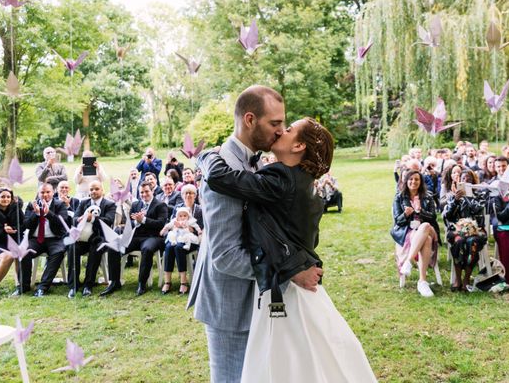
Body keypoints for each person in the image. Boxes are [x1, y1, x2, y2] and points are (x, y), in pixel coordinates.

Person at [198, 117, 376, 382]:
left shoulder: (282, 179)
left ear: (298, 146)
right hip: (292, 288)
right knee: (305, 357)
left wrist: (205, 156)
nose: (282, 130)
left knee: (284, 361)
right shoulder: (303, 183)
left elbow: (221, 178)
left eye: (289, 129)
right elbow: (305, 241)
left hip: (285, 291)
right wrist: (297, 265)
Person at [187, 85, 322, 383]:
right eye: (274, 124)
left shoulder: (259, 162)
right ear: (250, 119)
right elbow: (225, 257)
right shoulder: (222, 169)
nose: (280, 131)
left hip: (258, 302)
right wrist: (289, 272)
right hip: (230, 305)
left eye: (283, 125)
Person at [100, 181, 169, 297]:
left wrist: (144, 220)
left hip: (153, 237)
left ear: (152, 191)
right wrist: (135, 222)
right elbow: (129, 223)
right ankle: (115, 282)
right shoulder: (136, 205)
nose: (144, 194)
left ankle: (142, 283)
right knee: (114, 246)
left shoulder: (160, 205)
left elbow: (161, 224)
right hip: (135, 236)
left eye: (146, 191)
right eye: (141, 192)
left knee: (147, 249)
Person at [392, 170, 440, 297]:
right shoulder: (399, 197)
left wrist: (420, 211)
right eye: (411, 179)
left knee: (425, 226)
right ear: (406, 181)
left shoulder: (428, 197)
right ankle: (422, 281)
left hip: (428, 228)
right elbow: (398, 221)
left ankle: (408, 261)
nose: (413, 182)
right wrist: (405, 214)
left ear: (421, 182)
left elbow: (433, 217)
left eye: (417, 179)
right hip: (408, 231)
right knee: (427, 240)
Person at [66, 181, 116, 298]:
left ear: (102, 190)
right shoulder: (83, 203)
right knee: (72, 247)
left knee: (96, 248)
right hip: (83, 238)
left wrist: (92, 219)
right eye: (91, 189)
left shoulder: (109, 204)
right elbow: (74, 219)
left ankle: (88, 284)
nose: (93, 191)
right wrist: (81, 219)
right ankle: (73, 285)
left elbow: (108, 222)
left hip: (100, 237)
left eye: (96, 189)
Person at [20, 183, 69, 296]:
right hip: (36, 239)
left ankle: (43, 287)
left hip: (55, 238)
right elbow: (25, 225)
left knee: (58, 252)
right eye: (42, 192)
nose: (45, 195)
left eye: (48, 192)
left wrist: (48, 213)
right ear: (38, 193)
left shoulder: (59, 204)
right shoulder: (32, 205)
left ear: (53, 192)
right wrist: (36, 214)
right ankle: (24, 286)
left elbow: (63, 223)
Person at [441, 171, 487, 291]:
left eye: (469, 179)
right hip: (457, 230)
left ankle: (466, 278)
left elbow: (477, 209)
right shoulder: (452, 196)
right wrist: (456, 200)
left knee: (472, 242)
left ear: (473, 182)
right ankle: (458, 278)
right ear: (458, 181)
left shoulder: (479, 195)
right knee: (459, 242)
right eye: (463, 178)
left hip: (476, 230)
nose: (466, 180)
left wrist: (467, 197)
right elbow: (449, 217)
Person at [160, 205, 203, 295]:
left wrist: (191, 229)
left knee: (179, 248)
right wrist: (171, 228)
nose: (188, 195)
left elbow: (200, 228)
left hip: (189, 240)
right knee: (169, 247)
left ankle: (183, 281)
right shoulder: (177, 208)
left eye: (191, 193)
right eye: (186, 193)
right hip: (176, 238)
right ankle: (167, 281)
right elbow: (169, 225)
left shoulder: (199, 210)